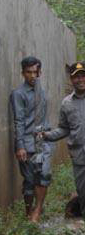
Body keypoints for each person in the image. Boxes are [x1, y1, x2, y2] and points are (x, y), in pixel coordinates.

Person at [42, 63, 85, 235]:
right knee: (83, 192)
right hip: (79, 154)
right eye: (76, 76)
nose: (80, 80)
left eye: (83, 76)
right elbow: (64, 129)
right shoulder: (67, 103)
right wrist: (47, 136)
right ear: (71, 79)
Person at [9, 56, 53, 222]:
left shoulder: (41, 91)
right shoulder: (18, 94)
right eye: (29, 72)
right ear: (23, 73)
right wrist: (20, 146)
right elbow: (18, 121)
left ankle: (38, 209)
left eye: (35, 72)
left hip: (43, 142)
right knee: (29, 180)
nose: (32, 75)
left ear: (40, 72)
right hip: (26, 143)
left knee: (44, 175)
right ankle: (28, 212)